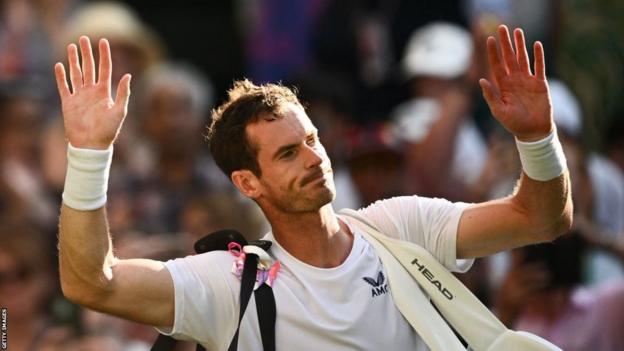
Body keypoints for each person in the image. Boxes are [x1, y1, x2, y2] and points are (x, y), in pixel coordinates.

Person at [54, 25, 571, 350]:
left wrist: (536, 137)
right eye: (286, 153)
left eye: (312, 140)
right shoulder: (230, 281)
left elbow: (542, 219)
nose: (313, 159)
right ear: (246, 183)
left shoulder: (401, 224)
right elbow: (92, 285)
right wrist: (89, 153)